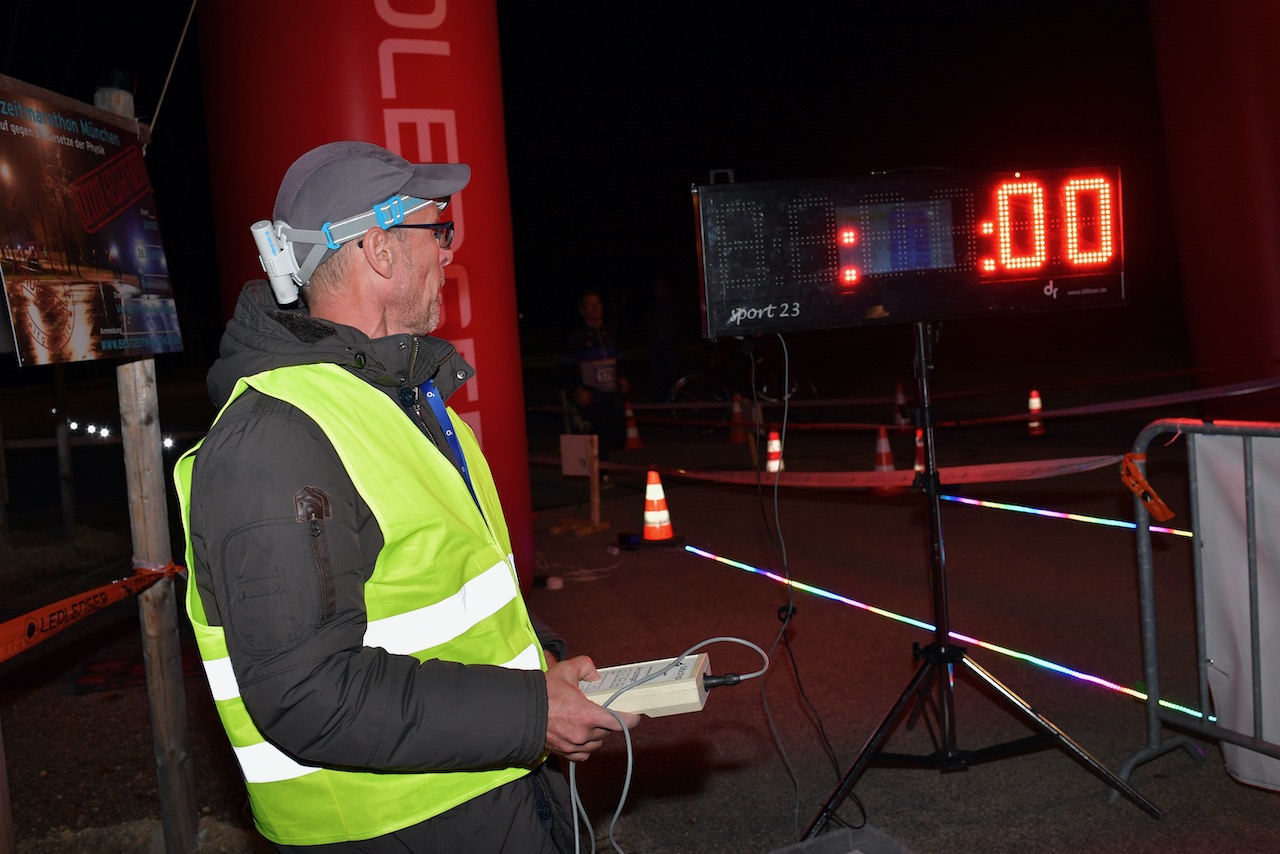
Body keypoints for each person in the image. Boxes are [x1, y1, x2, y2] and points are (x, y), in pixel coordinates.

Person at [173, 141, 639, 852]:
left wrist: (537, 670)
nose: (448, 253)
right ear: (379, 249)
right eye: (438, 231)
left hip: (491, 795)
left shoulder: (406, 402)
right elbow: (306, 692)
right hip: (395, 828)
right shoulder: (274, 439)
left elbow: (444, 596)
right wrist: (527, 715)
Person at [562, 292, 629, 456]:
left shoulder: (611, 334)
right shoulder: (578, 338)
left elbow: (620, 361)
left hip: (613, 392)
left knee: (619, 436)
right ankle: (601, 475)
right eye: (590, 305)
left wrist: (623, 378)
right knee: (600, 436)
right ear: (582, 311)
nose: (595, 308)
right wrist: (578, 389)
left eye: (597, 303)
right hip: (592, 394)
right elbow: (567, 368)